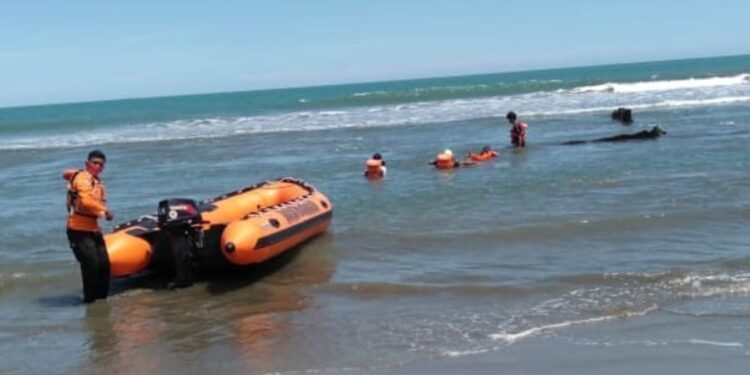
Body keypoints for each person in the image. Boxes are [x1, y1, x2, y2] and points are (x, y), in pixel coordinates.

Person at [63, 150, 114, 303]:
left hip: (93, 228)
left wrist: (102, 211)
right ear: (87, 164)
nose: (97, 166)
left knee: (104, 265)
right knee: (91, 264)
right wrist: (105, 211)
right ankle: (90, 301)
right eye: (95, 163)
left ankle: (101, 300)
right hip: (77, 229)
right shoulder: (83, 178)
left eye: (101, 164)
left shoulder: (97, 182)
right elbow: (85, 201)